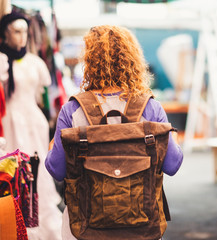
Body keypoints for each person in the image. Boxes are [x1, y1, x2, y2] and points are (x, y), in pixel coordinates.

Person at [45, 25, 183, 239]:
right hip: (142, 228)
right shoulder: (150, 107)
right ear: (132, 60)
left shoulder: (73, 110)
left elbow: (56, 170)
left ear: (89, 61)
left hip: (84, 228)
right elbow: (173, 165)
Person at [0, 11, 63, 239]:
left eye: (25, 31)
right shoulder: (1, 62)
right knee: (16, 170)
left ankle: (43, 221)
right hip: (11, 123)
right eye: (16, 32)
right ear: (5, 35)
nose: (22, 36)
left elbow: (42, 94)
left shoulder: (36, 63)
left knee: (39, 171)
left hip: (34, 123)